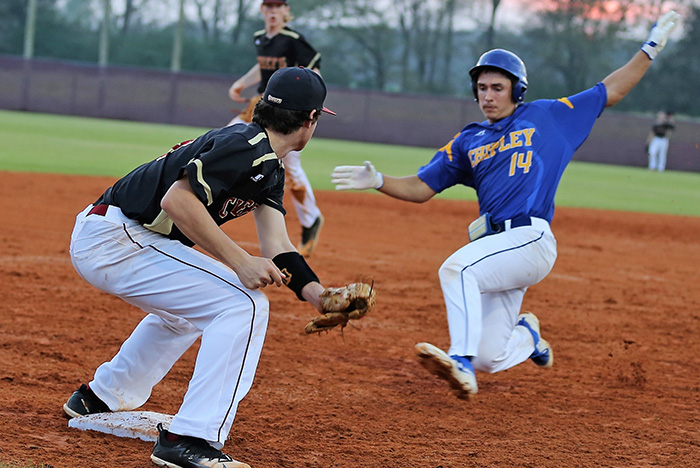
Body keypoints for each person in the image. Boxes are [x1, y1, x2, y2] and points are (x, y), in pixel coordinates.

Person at [331, 11, 681, 399]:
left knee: (457, 269)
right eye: (481, 88)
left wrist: (651, 47)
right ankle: (526, 336)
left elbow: (609, 91)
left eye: (498, 87)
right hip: (499, 248)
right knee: (490, 356)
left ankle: (459, 360)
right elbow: (422, 187)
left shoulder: (548, 116)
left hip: (531, 239)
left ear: (518, 90)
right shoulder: (468, 140)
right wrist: (379, 181)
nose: (488, 96)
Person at [62, 67, 336, 468]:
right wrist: (239, 261)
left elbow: (277, 246)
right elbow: (177, 200)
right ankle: (189, 439)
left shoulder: (267, 162)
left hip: (121, 238)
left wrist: (319, 296)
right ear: (311, 119)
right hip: (119, 239)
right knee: (245, 304)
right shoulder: (245, 145)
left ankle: (100, 397)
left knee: (188, 313)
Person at [228, 0, 324, 257]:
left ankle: (311, 219)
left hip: (287, 111)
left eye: (277, 7)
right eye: (268, 7)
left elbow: (314, 70)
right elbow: (262, 68)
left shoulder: (293, 40)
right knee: (231, 135)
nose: (273, 11)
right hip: (260, 104)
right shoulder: (261, 38)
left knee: (291, 169)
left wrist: (308, 103)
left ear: (285, 11)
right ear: (263, 10)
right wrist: (241, 83)